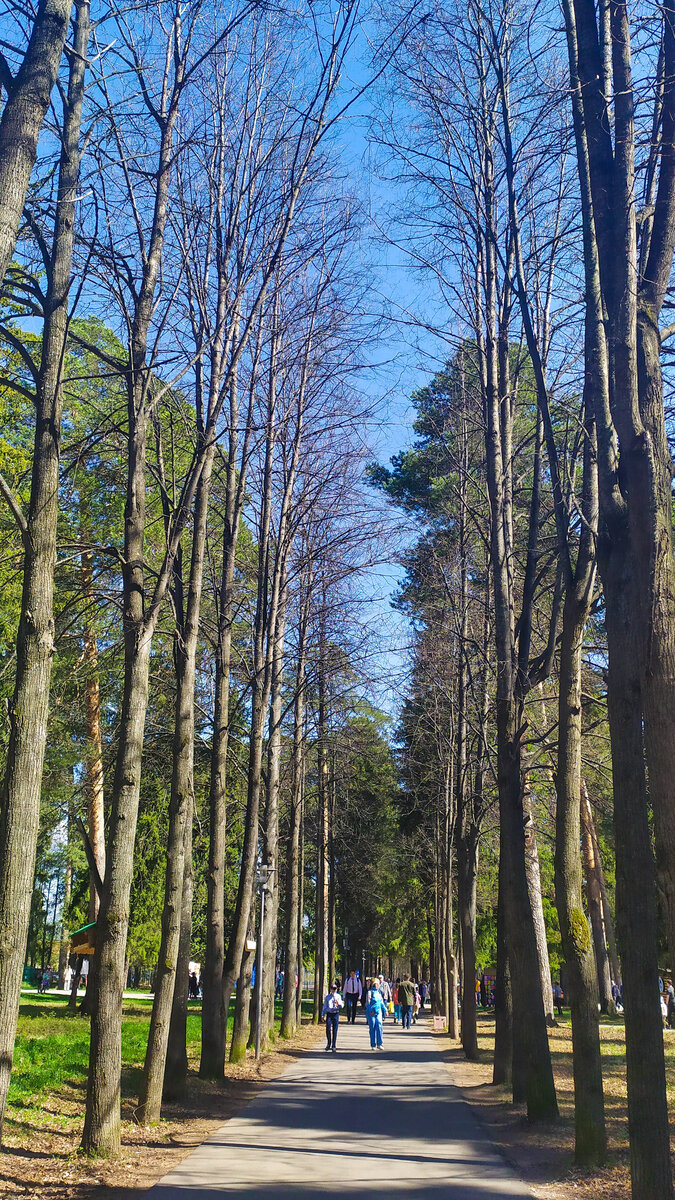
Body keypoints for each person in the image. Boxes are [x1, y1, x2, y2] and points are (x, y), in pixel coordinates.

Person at [365, 978, 388, 1050]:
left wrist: (385, 1010)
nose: (378, 985)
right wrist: (370, 1010)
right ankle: (373, 1044)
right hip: (371, 1013)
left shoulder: (378, 993)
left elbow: (381, 1003)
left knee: (379, 1026)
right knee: (372, 1028)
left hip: (379, 1013)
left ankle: (379, 1043)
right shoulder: (369, 993)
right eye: (377, 984)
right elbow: (367, 1003)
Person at [321, 982, 343, 1052]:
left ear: (336, 989)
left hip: (335, 1013)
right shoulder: (327, 997)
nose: (333, 990)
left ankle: (334, 1045)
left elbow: (342, 1005)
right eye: (332, 989)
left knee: (335, 1030)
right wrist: (322, 1015)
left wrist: (338, 1004)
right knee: (328, 1029)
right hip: (329, 1014)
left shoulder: (338, 996)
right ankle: (328, 1043)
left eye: (335, 989)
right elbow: (324, 1007)